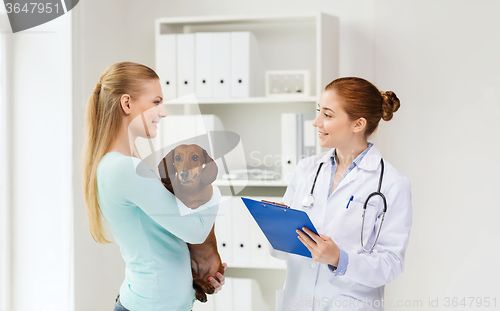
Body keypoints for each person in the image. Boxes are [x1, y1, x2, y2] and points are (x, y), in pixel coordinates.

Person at [81, 62, 225, 311]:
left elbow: (170, 238)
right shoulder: (124, 169)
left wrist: (199, 271)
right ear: (127, 104)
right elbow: (195, 231)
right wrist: (212, 186)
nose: (163, 111)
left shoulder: (123, 165)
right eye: (156, 101)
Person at [273, 77, 412, 311]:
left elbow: (391, 264)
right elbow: (282, 250)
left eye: (327, 115)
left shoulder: (391, 184)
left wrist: (339, 259)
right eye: (319, 112)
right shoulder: (306, 170)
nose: (316, 122)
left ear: (358, 124)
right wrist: (276, 225)